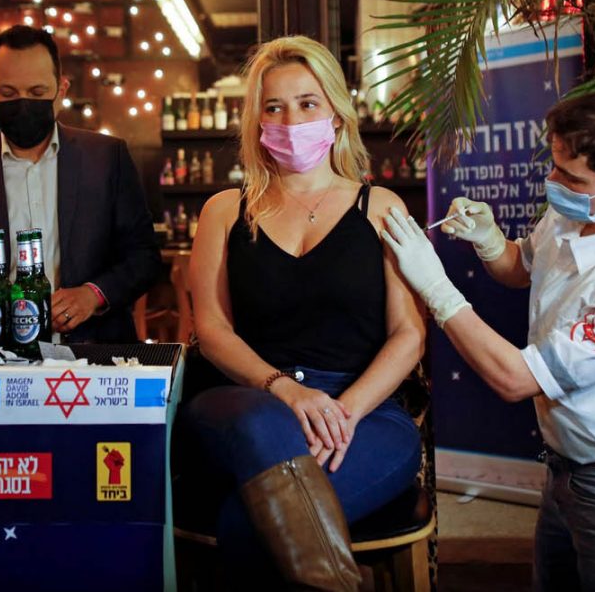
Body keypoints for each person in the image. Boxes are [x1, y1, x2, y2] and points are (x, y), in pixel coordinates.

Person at [381, 84, 595, 592]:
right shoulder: (583, 208)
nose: (552, 180)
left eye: (569, 175)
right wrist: (489, 240)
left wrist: (436, 287)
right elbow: (523, 266)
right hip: (564, 468)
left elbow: (516, 378)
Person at [178, 36, 425, 589]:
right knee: (260, 425)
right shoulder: (223, 211)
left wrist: (347, 410)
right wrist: (286, 390)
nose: (291, 119)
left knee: (248, 520)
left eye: (307, 103)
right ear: (257, 121)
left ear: (336, 114)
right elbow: (211, 330)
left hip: (364, 411)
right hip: (249, 398)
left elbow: (409, 334)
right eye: (274, 107)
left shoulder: (382, 207)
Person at [0, 25, 161, 342]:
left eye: (36, 93)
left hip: (94, 351)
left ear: (61, 90)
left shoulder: (106, 158)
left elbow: (144, 257)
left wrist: (93, 295)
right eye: (7, 94)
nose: (22, 103)